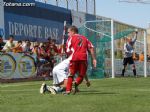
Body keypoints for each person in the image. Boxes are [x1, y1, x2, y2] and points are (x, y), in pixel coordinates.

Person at [64, 25, 96, 95]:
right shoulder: (85, 38)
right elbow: (91, 48)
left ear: (73, 31)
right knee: (81, 75)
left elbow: (68, 50)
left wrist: (69, 53)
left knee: (71, 74)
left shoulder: (70, 38)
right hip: (83, 58)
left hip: (74, 58)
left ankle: (68, 90)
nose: (68, 34)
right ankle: (75, 83)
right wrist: (94, 59)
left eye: (68, 32)